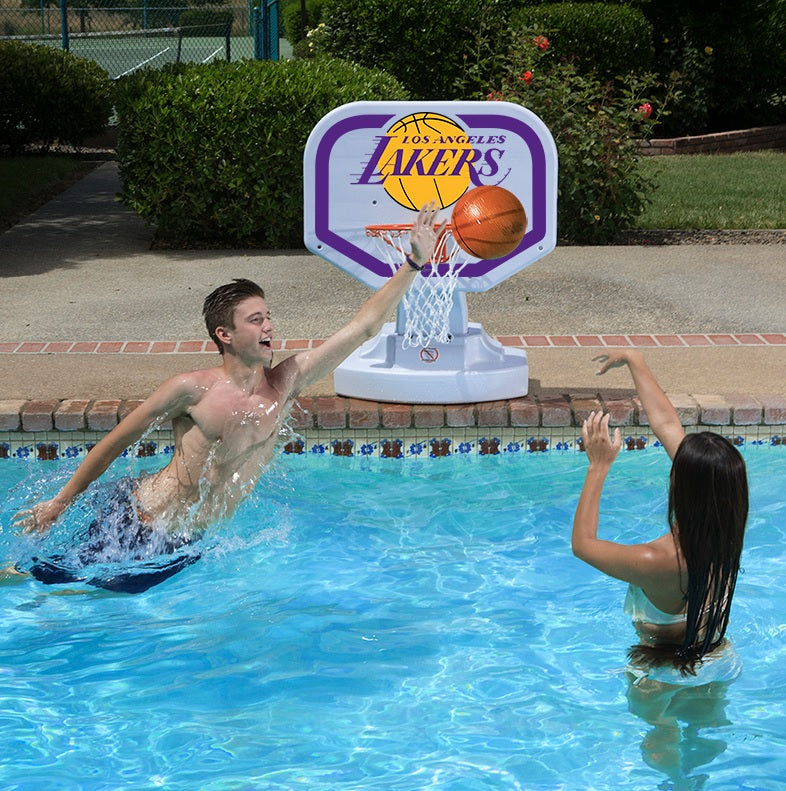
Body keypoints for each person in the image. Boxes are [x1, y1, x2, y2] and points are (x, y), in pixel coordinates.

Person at [10, 204, 446, 592]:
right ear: (225, 334)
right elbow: (116, 442)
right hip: (141, 522)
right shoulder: (192, 388)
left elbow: (363, 328)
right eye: (256, 320)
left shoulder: (286, 381)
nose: (269, 327)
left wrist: (412, 264)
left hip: (188, 541)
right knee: (42, 586)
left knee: (84, 602)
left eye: (268, 317)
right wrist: (59, 503)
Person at [572, 350, 748, 783]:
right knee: (706, 736)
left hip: (661, 677)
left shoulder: (658, 561)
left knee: (661, 738)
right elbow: (669, 426)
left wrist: (598, 467)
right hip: (717, 658)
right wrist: (635, 360)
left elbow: (583, 545)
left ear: (681, 487)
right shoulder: (728, 522)